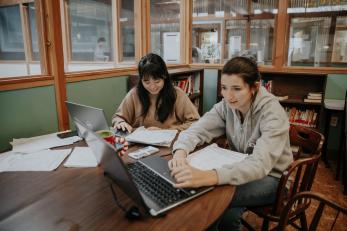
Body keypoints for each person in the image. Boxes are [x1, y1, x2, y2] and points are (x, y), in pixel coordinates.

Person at [169, 56, 293, 231]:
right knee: (227, 213)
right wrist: (180, 151)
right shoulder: (226, 105)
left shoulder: (273, 113)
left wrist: (208, 176)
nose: (228, 96)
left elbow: (260, 165)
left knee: (210, 195)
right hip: (240, 169)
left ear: (254, 87)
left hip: (274, 179)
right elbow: (197, 129)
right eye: (224, 88)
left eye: (236, 88)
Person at [112, 53, 200, 133]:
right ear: (141, 80)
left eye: (157, 81)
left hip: (170, 141)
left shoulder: (177, 94)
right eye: (146, 82)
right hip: (140, 143)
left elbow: (195, 122)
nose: (152, 87)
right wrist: (121, 122)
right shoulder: (134, 94)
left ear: (164, 76)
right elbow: (118, 117)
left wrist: (166, 131)